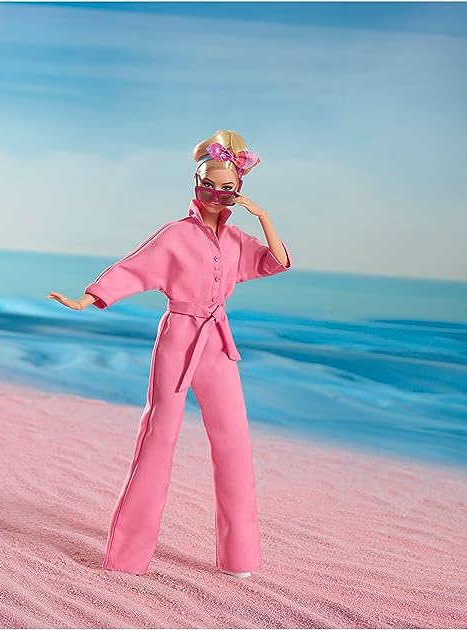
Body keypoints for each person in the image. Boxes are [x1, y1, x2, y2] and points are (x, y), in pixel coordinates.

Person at [47, 129, 292, 578]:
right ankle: (127, 557)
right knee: (158, 438)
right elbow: (132, 268)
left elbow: (276, 262)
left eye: (226, 187)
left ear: (239, 190)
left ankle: (239, 558)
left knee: (235, 443)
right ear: (196, 183)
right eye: (207, 184)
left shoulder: (238, 241)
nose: (215, 194)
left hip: (218, 342)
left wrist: (264, 217)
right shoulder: (174, 235)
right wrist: (87, 300)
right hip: (178, 338)